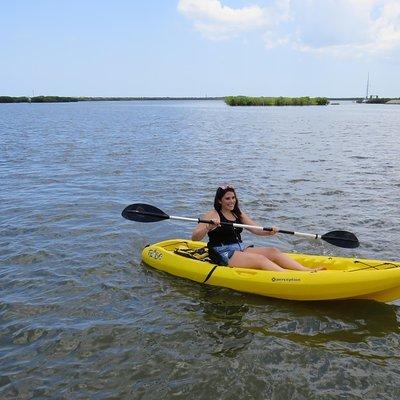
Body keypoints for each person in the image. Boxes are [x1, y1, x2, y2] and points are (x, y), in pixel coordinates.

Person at [191, 185, 324, 272]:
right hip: (221, 252)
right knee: (260, 260)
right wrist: (209, 227)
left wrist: (270, 232)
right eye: (227, 199)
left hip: (240, 248)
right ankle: (291, 276)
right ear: (220, 201)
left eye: (233, 198)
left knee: (273, 251)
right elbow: (195, 237)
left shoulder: (237, 213)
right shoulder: (212, 214)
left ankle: (305, 270)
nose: (232, 201)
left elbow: (255, 229)